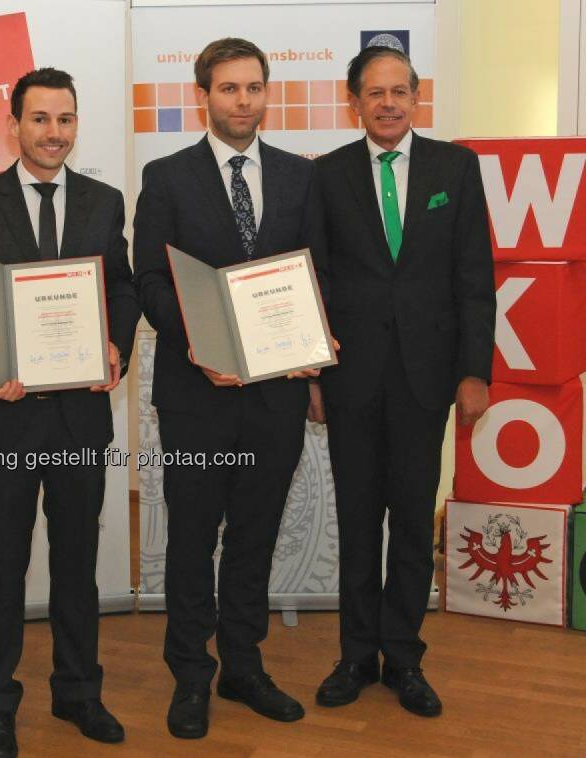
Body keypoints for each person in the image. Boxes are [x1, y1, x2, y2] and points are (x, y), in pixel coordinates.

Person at [0, 67, 140, 758]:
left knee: (77, 565)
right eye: (40, 119)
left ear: (76, 124)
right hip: (8, 416)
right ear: (14, 125)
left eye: (65, 119)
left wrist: (114, 345)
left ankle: (79, 692)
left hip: (80, 418)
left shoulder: (104, 202)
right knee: (2, 566)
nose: (54, 133)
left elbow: (121, 288)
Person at [133, 38, 327, 739]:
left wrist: (316, 341)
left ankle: (243, 667)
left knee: (255, 536)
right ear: (203, 96)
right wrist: (199, 344)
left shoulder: (301, 177)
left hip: (276, 396)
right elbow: (149, 280)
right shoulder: (166, 177)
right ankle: (191, 675)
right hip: (198, 393)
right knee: (191, 539)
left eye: (253, 87)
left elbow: (317, 273)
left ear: (266, 93)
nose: (243, 101)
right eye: (228, 88)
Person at [309, 45, 494, 718]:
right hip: (350, 379)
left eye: (398, 92)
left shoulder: (455, 168)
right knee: (358, 522)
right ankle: (356, 656)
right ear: (354, 103)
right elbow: (315, 279)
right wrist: (313, 375)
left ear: (417, 98)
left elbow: (474, 276)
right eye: (374, 93)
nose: (387, 104)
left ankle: (405, 658)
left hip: (427, 378)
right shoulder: (326, 175)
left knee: (413, 521)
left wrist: (474, 371)